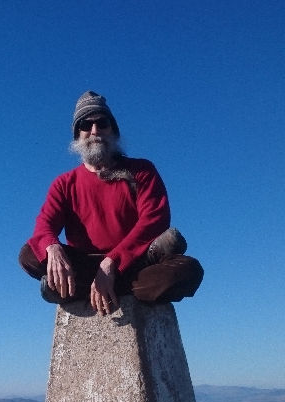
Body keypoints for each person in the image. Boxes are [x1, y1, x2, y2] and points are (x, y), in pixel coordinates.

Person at [19, 91, 203, 315]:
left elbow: (154, 220)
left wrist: (111, 263)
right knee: (30, 253)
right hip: (85, 263)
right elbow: (45, 223)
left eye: (102, 123)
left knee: (187, 271)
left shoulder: (141, 171)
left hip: (133, 261)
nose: (94, 131)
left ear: (113, 130)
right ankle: (108, 287)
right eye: (86, 125)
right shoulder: (64, 183)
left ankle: (77, 289)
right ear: (78, 136)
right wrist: (52, 246)